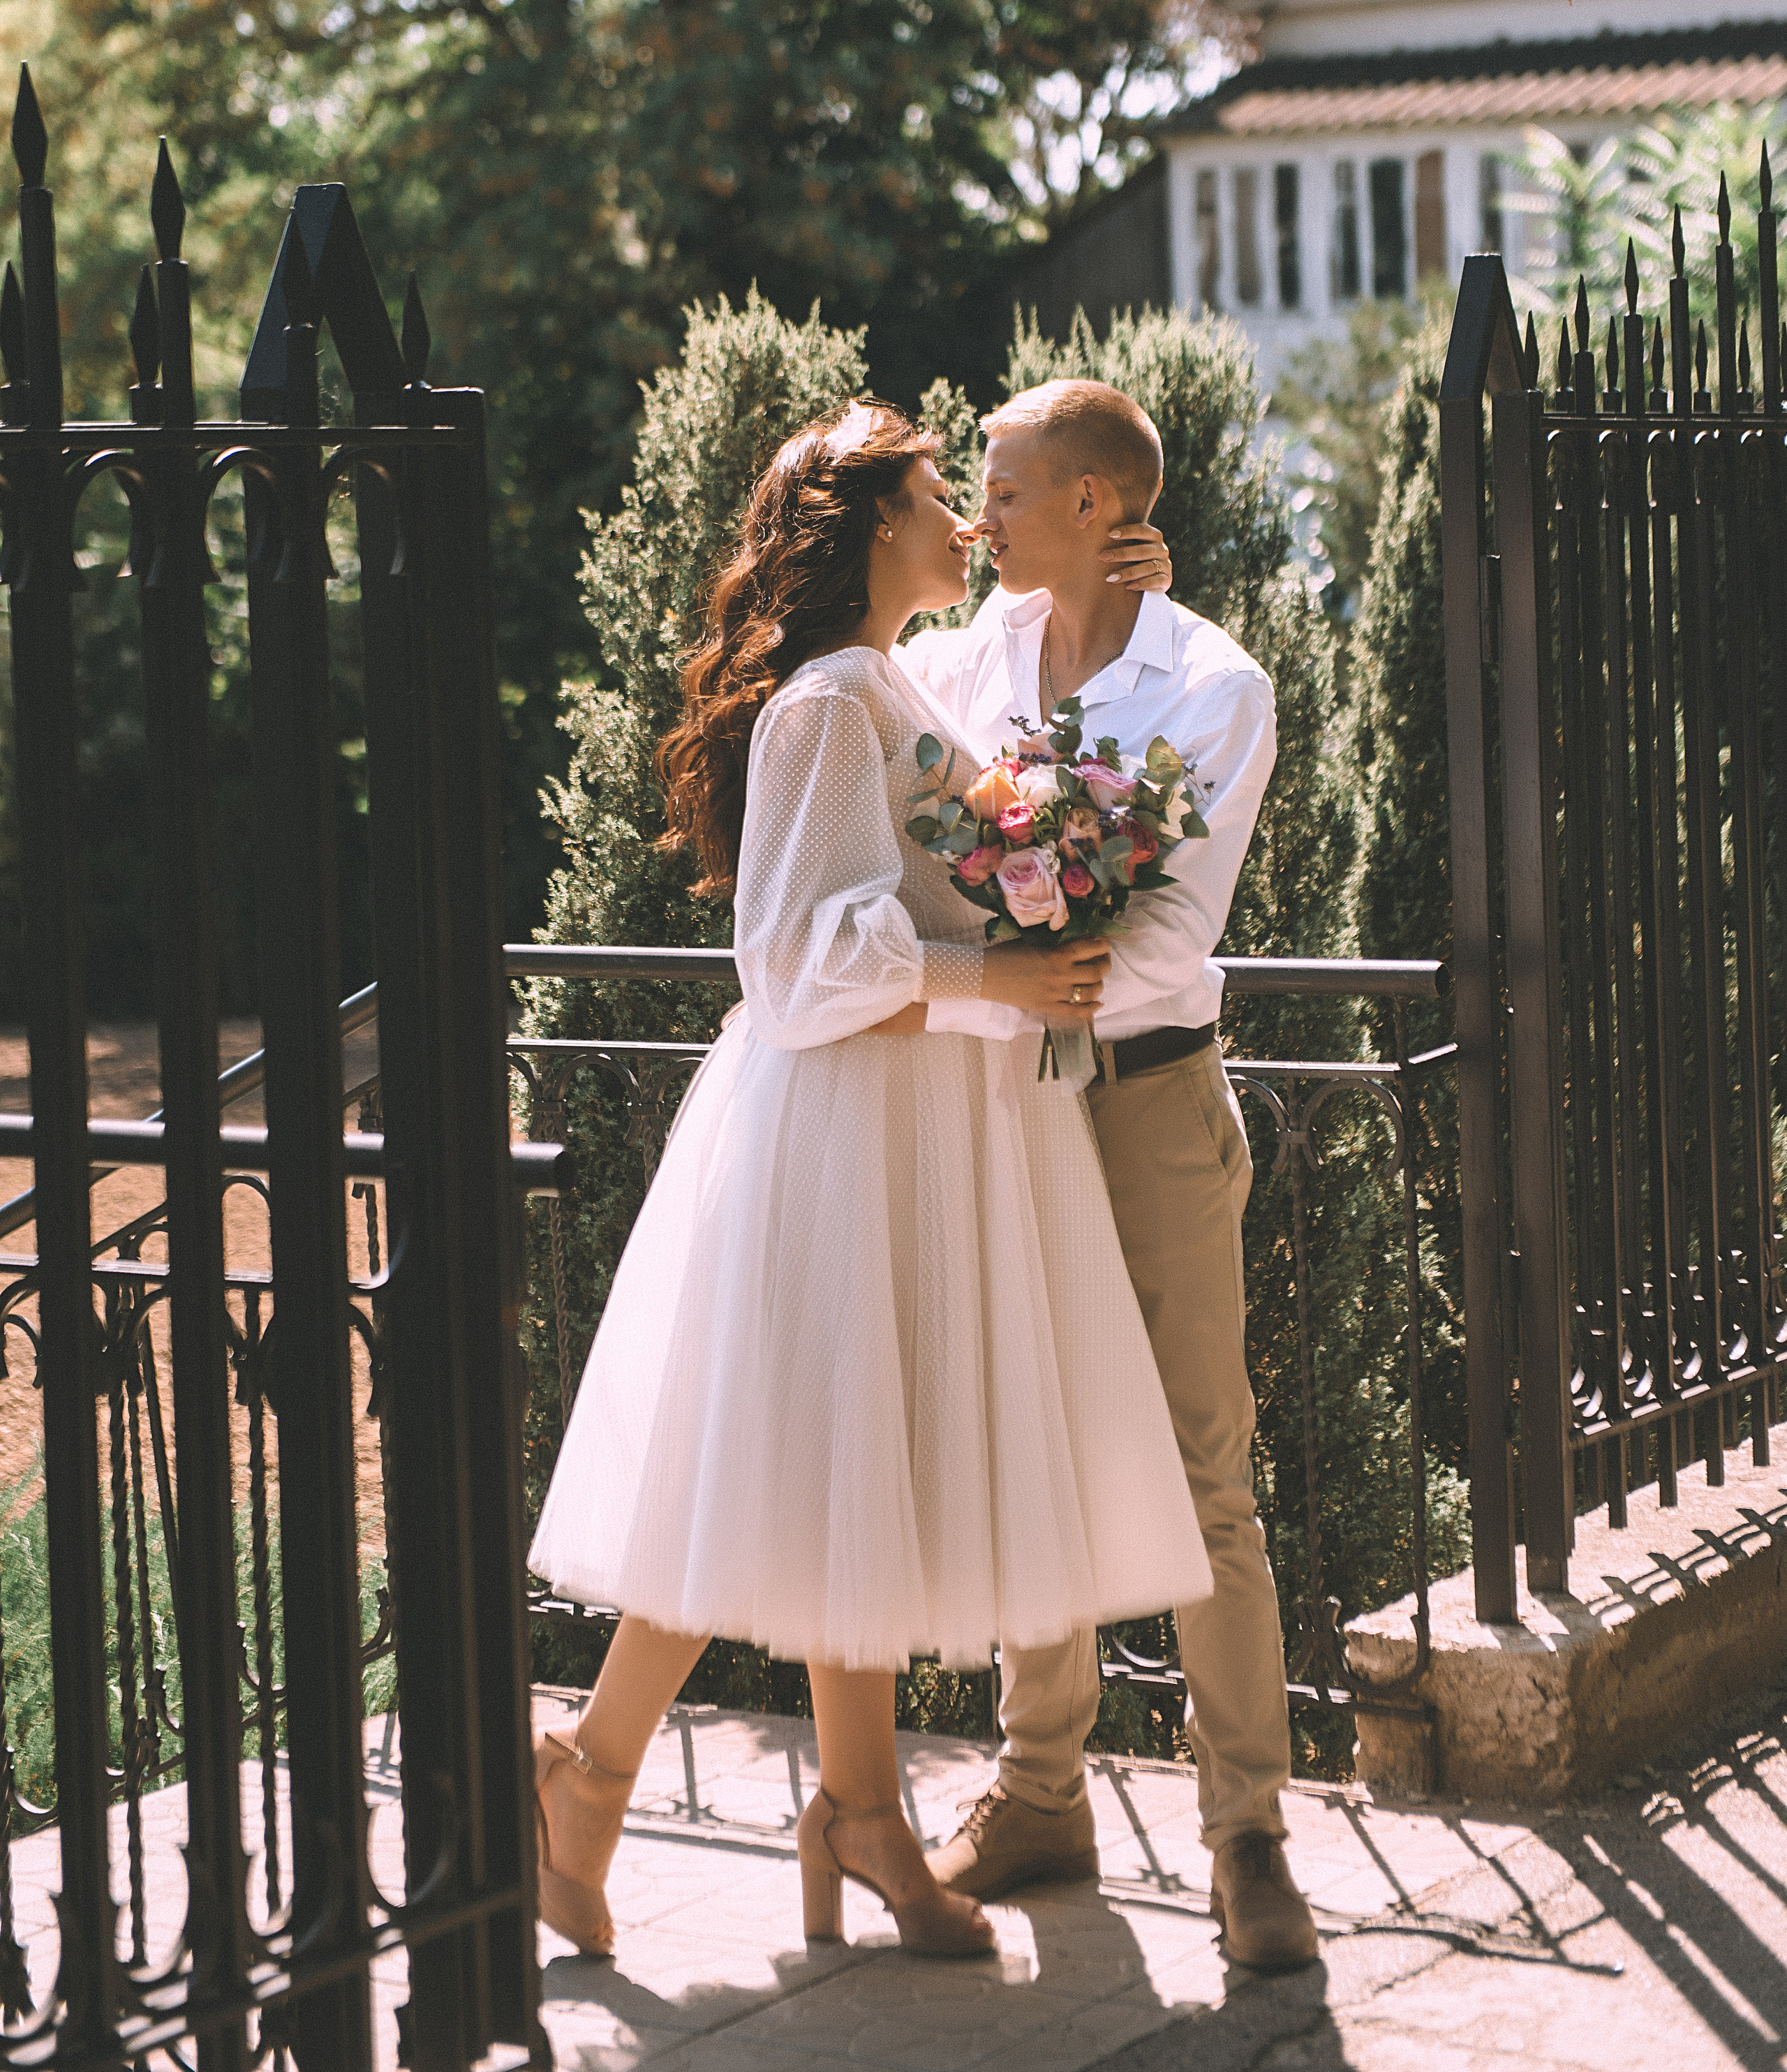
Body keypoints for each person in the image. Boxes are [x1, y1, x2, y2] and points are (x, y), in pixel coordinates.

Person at [527, 398, 1211, 1965]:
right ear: (867, 534)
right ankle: (637, 1783)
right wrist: (996, 980)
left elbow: (1024, 705)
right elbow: (790, 962)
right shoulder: (829, 704)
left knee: (839, 1476)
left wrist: (1126, 583)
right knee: (785, 1462)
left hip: (909, 1121)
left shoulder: (893, 679)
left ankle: (804, 1806)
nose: (964, 526)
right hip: (836, 1123)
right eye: (933, 501)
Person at [899, 376, 1319, 1976]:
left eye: (999, 489)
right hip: (1002, 1101)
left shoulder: (1209, 683)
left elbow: (1170, 934)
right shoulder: (961, 654)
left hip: (1144, 1102)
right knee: (1029, 1451)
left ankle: (1245, 1838)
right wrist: (984, 958)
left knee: (1204, 1471)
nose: (974, 517)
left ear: (1090, 501)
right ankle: (1035, 1792)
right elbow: (879, 748)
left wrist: (1012, 941)